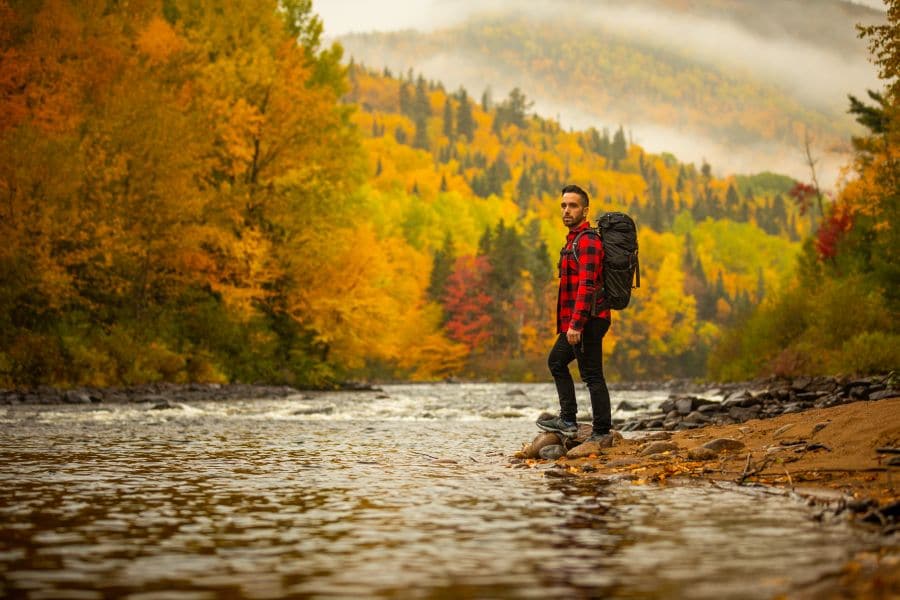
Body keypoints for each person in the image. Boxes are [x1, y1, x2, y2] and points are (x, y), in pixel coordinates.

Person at [536, 184, 614, 446]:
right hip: (579, 320)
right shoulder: (573, 240)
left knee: (592, 375)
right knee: (557, 362)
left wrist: (577, 324)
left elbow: (588, 285)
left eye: (573, 206)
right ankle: (568, 421)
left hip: (589, 319)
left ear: (585, 210)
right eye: (564, 205)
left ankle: (602, 432)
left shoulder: (589, 241)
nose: (567, 210)